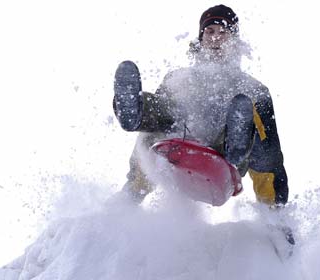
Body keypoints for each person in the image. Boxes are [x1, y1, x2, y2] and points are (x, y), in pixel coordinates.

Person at [113, 4, 289, 208]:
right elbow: (151, 134)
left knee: (246, 111)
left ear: (234, 41)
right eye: (210, 31)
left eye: (224, 32)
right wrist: (133, 189)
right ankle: (135, 111)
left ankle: (236, 140)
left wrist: (275, 212)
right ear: (201, 38)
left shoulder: (252, 90)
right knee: (156, 120)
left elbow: (268, 156)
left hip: (223, 159)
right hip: (176, 147)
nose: (216, 38)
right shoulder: (178, 79)